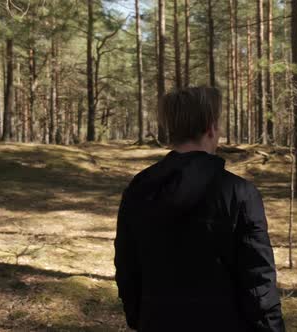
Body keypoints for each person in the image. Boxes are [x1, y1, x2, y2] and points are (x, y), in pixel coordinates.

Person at [114, 87, 286, 332]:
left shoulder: (140, 188)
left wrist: (139, 318)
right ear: (210, 128)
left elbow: (127, 268)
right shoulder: (239, 193)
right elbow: (259, 282)